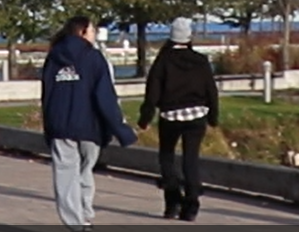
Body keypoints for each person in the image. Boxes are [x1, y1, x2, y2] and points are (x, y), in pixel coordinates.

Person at [41, 15, 138, 228]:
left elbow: (47, 96)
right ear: (83, 32)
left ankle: (76, 221)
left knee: (66, 176)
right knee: (84, 172)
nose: (94, 35)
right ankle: (83, 216)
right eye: (92, 31)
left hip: (61, 126)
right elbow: (105, 97)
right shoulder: (94, 58)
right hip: (89, 126)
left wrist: (48, 127)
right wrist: (121, 130)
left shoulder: (53, 58)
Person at [139, 16, 218, 221]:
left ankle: (172, 201)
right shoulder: (201, 61)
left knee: (167, 157)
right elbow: (211, 90)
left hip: (171, 115)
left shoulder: (163, 61)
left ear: (171, 37)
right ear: (189, 37)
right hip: (197, 115)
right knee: (191, 159)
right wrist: (213, 117)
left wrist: (145, 118)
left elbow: (152, 93)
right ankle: (191, 204)